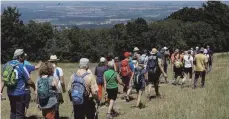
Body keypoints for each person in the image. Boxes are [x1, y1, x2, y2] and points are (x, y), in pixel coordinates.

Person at [1, 49, 36, 119]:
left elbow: (3, 80)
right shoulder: (21, 66)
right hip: (20, 93)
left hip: (10, 93)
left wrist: (0, 91)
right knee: (20, 114)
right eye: (23, 56)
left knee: (13, 111)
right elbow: (29, 81)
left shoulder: (6, 65)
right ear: (20, 57)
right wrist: (34, 87)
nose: (24, 58)